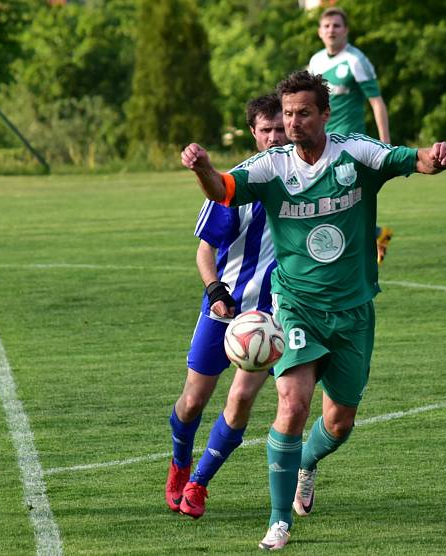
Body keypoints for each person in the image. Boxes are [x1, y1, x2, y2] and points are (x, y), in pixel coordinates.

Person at [180, 70, 446, 550]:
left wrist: (437, 156)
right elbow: (222, 190)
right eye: (287, 114)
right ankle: (277, 520)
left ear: (324, 114)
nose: (293, 123)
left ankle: (307, 462)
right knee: (292, 404)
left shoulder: (355, 153)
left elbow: (414, 160)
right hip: (297, 307)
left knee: (339, 422)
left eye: (303, 113)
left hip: (353, 310)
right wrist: (202, 166)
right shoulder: (273, 166)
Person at [165, 94, 288, 519]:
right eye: (266, 130)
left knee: (240, 400)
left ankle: (199, 484)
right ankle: (180, 463)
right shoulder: (235, 185)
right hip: (226, 308)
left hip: (274, 316)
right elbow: (205, 252)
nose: (274, 137)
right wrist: (217, 290)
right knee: (193, 401)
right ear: (254, 135)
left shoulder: (307, 180)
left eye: (280, 128)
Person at [309, 6, 395, 264]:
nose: (331, 30)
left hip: (349, 144)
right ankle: (377, 234)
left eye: (336, 25)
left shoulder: (356, 60)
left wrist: (385, 143)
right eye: (327, 26)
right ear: (319, 32)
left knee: (336, 198)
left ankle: (348, 249)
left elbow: (376, 102)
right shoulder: (316, 61)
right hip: (321, 142)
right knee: (332, 199)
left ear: (345, 30)